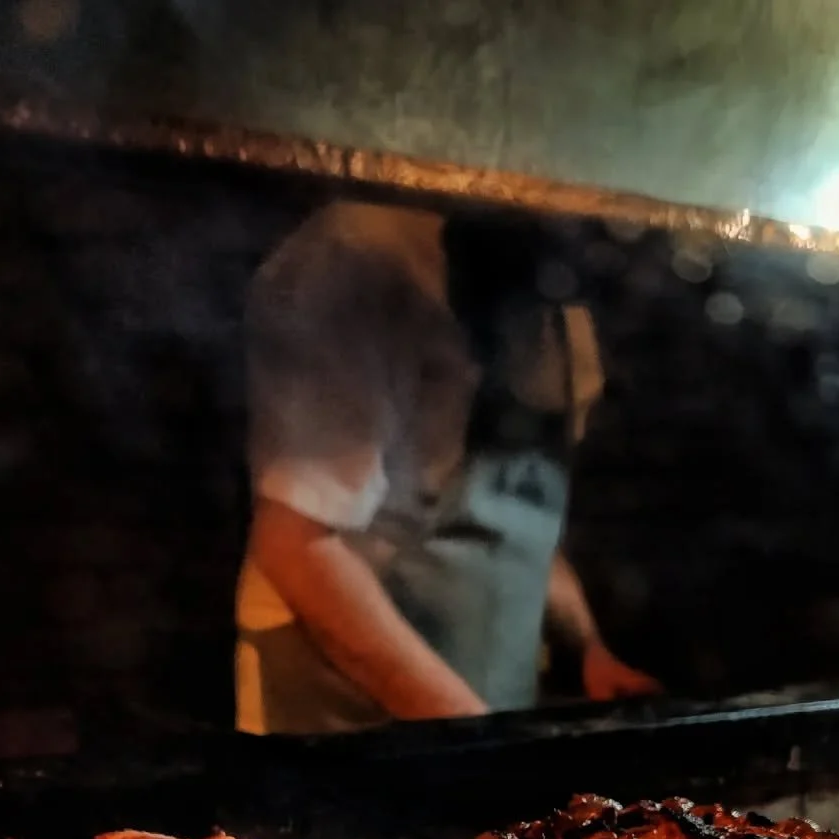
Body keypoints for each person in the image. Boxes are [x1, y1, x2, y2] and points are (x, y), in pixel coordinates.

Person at [234, 199, 659, 735]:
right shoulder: (358, 255)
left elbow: (519, 520)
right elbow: (296, 545)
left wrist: (587, 650)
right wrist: (472, 735)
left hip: (487, 707)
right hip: (346, 715)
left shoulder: (557, 300)